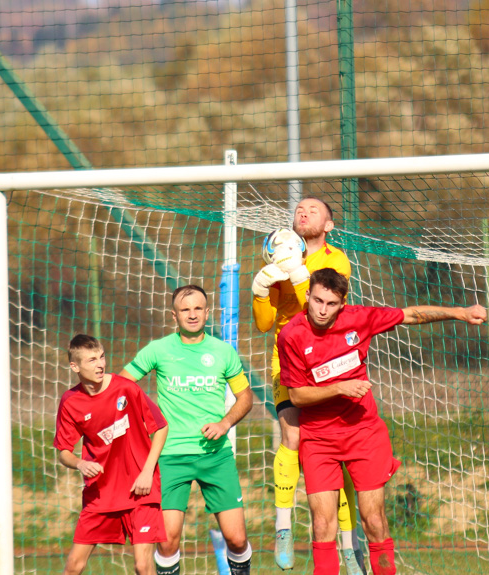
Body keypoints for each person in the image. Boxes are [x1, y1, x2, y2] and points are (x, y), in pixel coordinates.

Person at [277, 267, 487, 575]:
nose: (322, 310)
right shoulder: (291, 335)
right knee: (322, 525)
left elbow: (410, 314)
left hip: (363, 432)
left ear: (343, 303)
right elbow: (296, 397)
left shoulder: (359, 318)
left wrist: (459, 312)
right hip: (320, 439)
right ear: (307, 295)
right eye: (318, 301)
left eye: (331, 304)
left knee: (373, 521)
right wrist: (339, 387)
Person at [252, 197, 364, 572]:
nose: (303, 212)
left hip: (329, 358)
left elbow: (320, 315)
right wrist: (261, 288)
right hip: (288, 357)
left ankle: (349, 547)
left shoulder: (336, 260)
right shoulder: (279, 256)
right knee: (292, 438)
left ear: (329, 224)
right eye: (299, 208)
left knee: (338, 456)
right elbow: (265, 324)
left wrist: (298, 275)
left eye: (313, 210)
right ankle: (283, 527)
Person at [119, 285, 255, 575]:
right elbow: (123, 386)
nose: (192, 315)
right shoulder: (159, 349)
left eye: (197, 309)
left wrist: (224, 423)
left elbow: (246, 397)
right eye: (185, 309)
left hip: (216, 457)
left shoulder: (223, 351)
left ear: (207, 312)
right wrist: (145, 422)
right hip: (170, 457)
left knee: (237, 538)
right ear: (174, 315)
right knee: (167, 543)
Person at [54, 334, 168, 575]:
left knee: (143, 566)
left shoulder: (126, 388)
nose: (100, 364)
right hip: (101, 492)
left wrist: (147, 472)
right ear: (74, 366)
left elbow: (161, 427)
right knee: (74, 566)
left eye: (102, 357)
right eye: (92, 360)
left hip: (140, 490)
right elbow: (64, 452)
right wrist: (80, 463)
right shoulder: (70, 401)